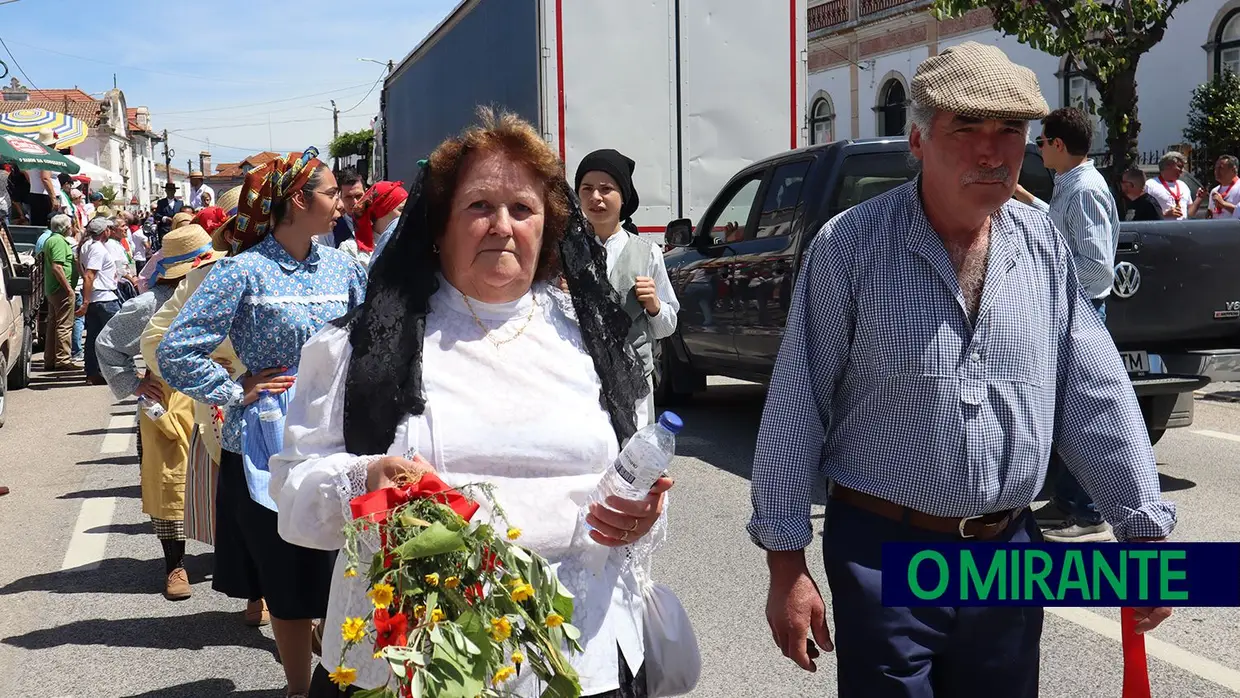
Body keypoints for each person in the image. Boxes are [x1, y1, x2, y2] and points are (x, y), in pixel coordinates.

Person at [749, 42, 1175, 698]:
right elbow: (797, 403)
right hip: (886, 554)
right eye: (965, 128)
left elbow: (1092, 391)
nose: (990, 150)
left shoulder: (1041, 246)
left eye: (1009, 130)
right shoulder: (849, 248)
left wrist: (1142, 529)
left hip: (1008, 557)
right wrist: (786, 564)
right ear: (917, 140)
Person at [270, 109, 668, 698]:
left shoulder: (591, 342)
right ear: (439, 226)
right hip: (408, 664)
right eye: (480, 206)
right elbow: (295, 501)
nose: (503, 226)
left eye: (523, 209)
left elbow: (637, 470)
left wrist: (646, 511)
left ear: (549, 227)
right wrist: (366, 480)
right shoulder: (363, 347)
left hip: (579, 665)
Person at [158, 147, 365, 698]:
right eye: (329, 192)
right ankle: (299, 690)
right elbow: (177, 350)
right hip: (268, 438)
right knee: (290, 576)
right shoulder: (242, 271)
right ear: (299, 200)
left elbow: (373, 341)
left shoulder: (345, 266)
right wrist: (236, 388)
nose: (341, 200)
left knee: (351, 563)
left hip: (342, 432)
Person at [97, 224, 226, 600]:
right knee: (170, 481)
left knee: (226, 478)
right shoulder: (148, 304)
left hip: (216, 395)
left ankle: (242, 567)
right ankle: (175, 566)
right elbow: (107, 344)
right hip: (167, 402)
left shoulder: (224, 295)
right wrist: (135, 383)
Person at [141, 206, 257, 623]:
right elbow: (138, 343)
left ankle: (273, 598)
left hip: (221, 408)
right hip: (188, 407)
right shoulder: (197, 283)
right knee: (177, 489)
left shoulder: (321, 272)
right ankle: (180, 565)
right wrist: (142, 383)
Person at [1012, 107, 1120, 543]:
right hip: (1076, 311)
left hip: (1082, 312)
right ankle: (1066, 502)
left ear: (1058, 144)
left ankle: (1087, 510)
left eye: (1040, 142)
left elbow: (1097, 270)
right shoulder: (1070, 184)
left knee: (1076, 413)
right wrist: (1028, 201)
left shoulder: (1084, 189)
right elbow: (1064, 230)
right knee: (1056, 411)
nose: (1037, 149)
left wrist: (1055, 285)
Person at [576, 148, 680, 425]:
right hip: (580, 381)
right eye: (587, 189)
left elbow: (668, 327)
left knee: (634, 462)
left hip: (634, 384)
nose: (595, 197)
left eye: (606, 188)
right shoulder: (565, 253)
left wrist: (655, 306)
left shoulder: (647, 252)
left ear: (623, 198)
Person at [77, 217, 122, 385]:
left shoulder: (86, 246)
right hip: (104, 298)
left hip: (99, 298)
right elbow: (89, 275)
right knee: (116, 336)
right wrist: (86, 302)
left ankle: (93, 372)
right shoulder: (97, 248)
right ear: (105, 232)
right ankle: (116, 372)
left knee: (94, 338)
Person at [41, 214, 79, 371]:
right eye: (69, 225)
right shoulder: (58, 241)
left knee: (53, 324)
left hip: (54, 288)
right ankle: (63, 360)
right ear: (65, 227)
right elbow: (57, 266)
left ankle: (50, 359)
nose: (71, 228)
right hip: (60, 289)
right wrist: (68, 288)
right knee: (64, 325)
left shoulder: (52, 239)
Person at [339, 180, 406, 267]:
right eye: (401, 210)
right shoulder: (351, 251)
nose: (407, 214)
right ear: (382, 213)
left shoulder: (409, 242)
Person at [1144, 152, 1192, 220]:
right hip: (1162, 229)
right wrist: (1165, 214)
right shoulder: (1150, 185)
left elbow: (1190, 213)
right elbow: (1144, 213)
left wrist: (1199, 199)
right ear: (1168, 165)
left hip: (1183, 229)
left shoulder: (1183, 185)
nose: (1182, 171)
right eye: (1179, 167)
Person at [1190, 155, 1240, 220]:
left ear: (1233, 170)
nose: (1216, 171)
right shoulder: (1215, 190)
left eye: (1221, 168)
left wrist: (1223, 204)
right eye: (1216, 168)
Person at [330, 167, 365, 248]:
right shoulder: (331, 229)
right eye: (348, 197)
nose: (355, 202)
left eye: (358, 196)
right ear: (340, 197)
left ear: (366, 193)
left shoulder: (378, 224)